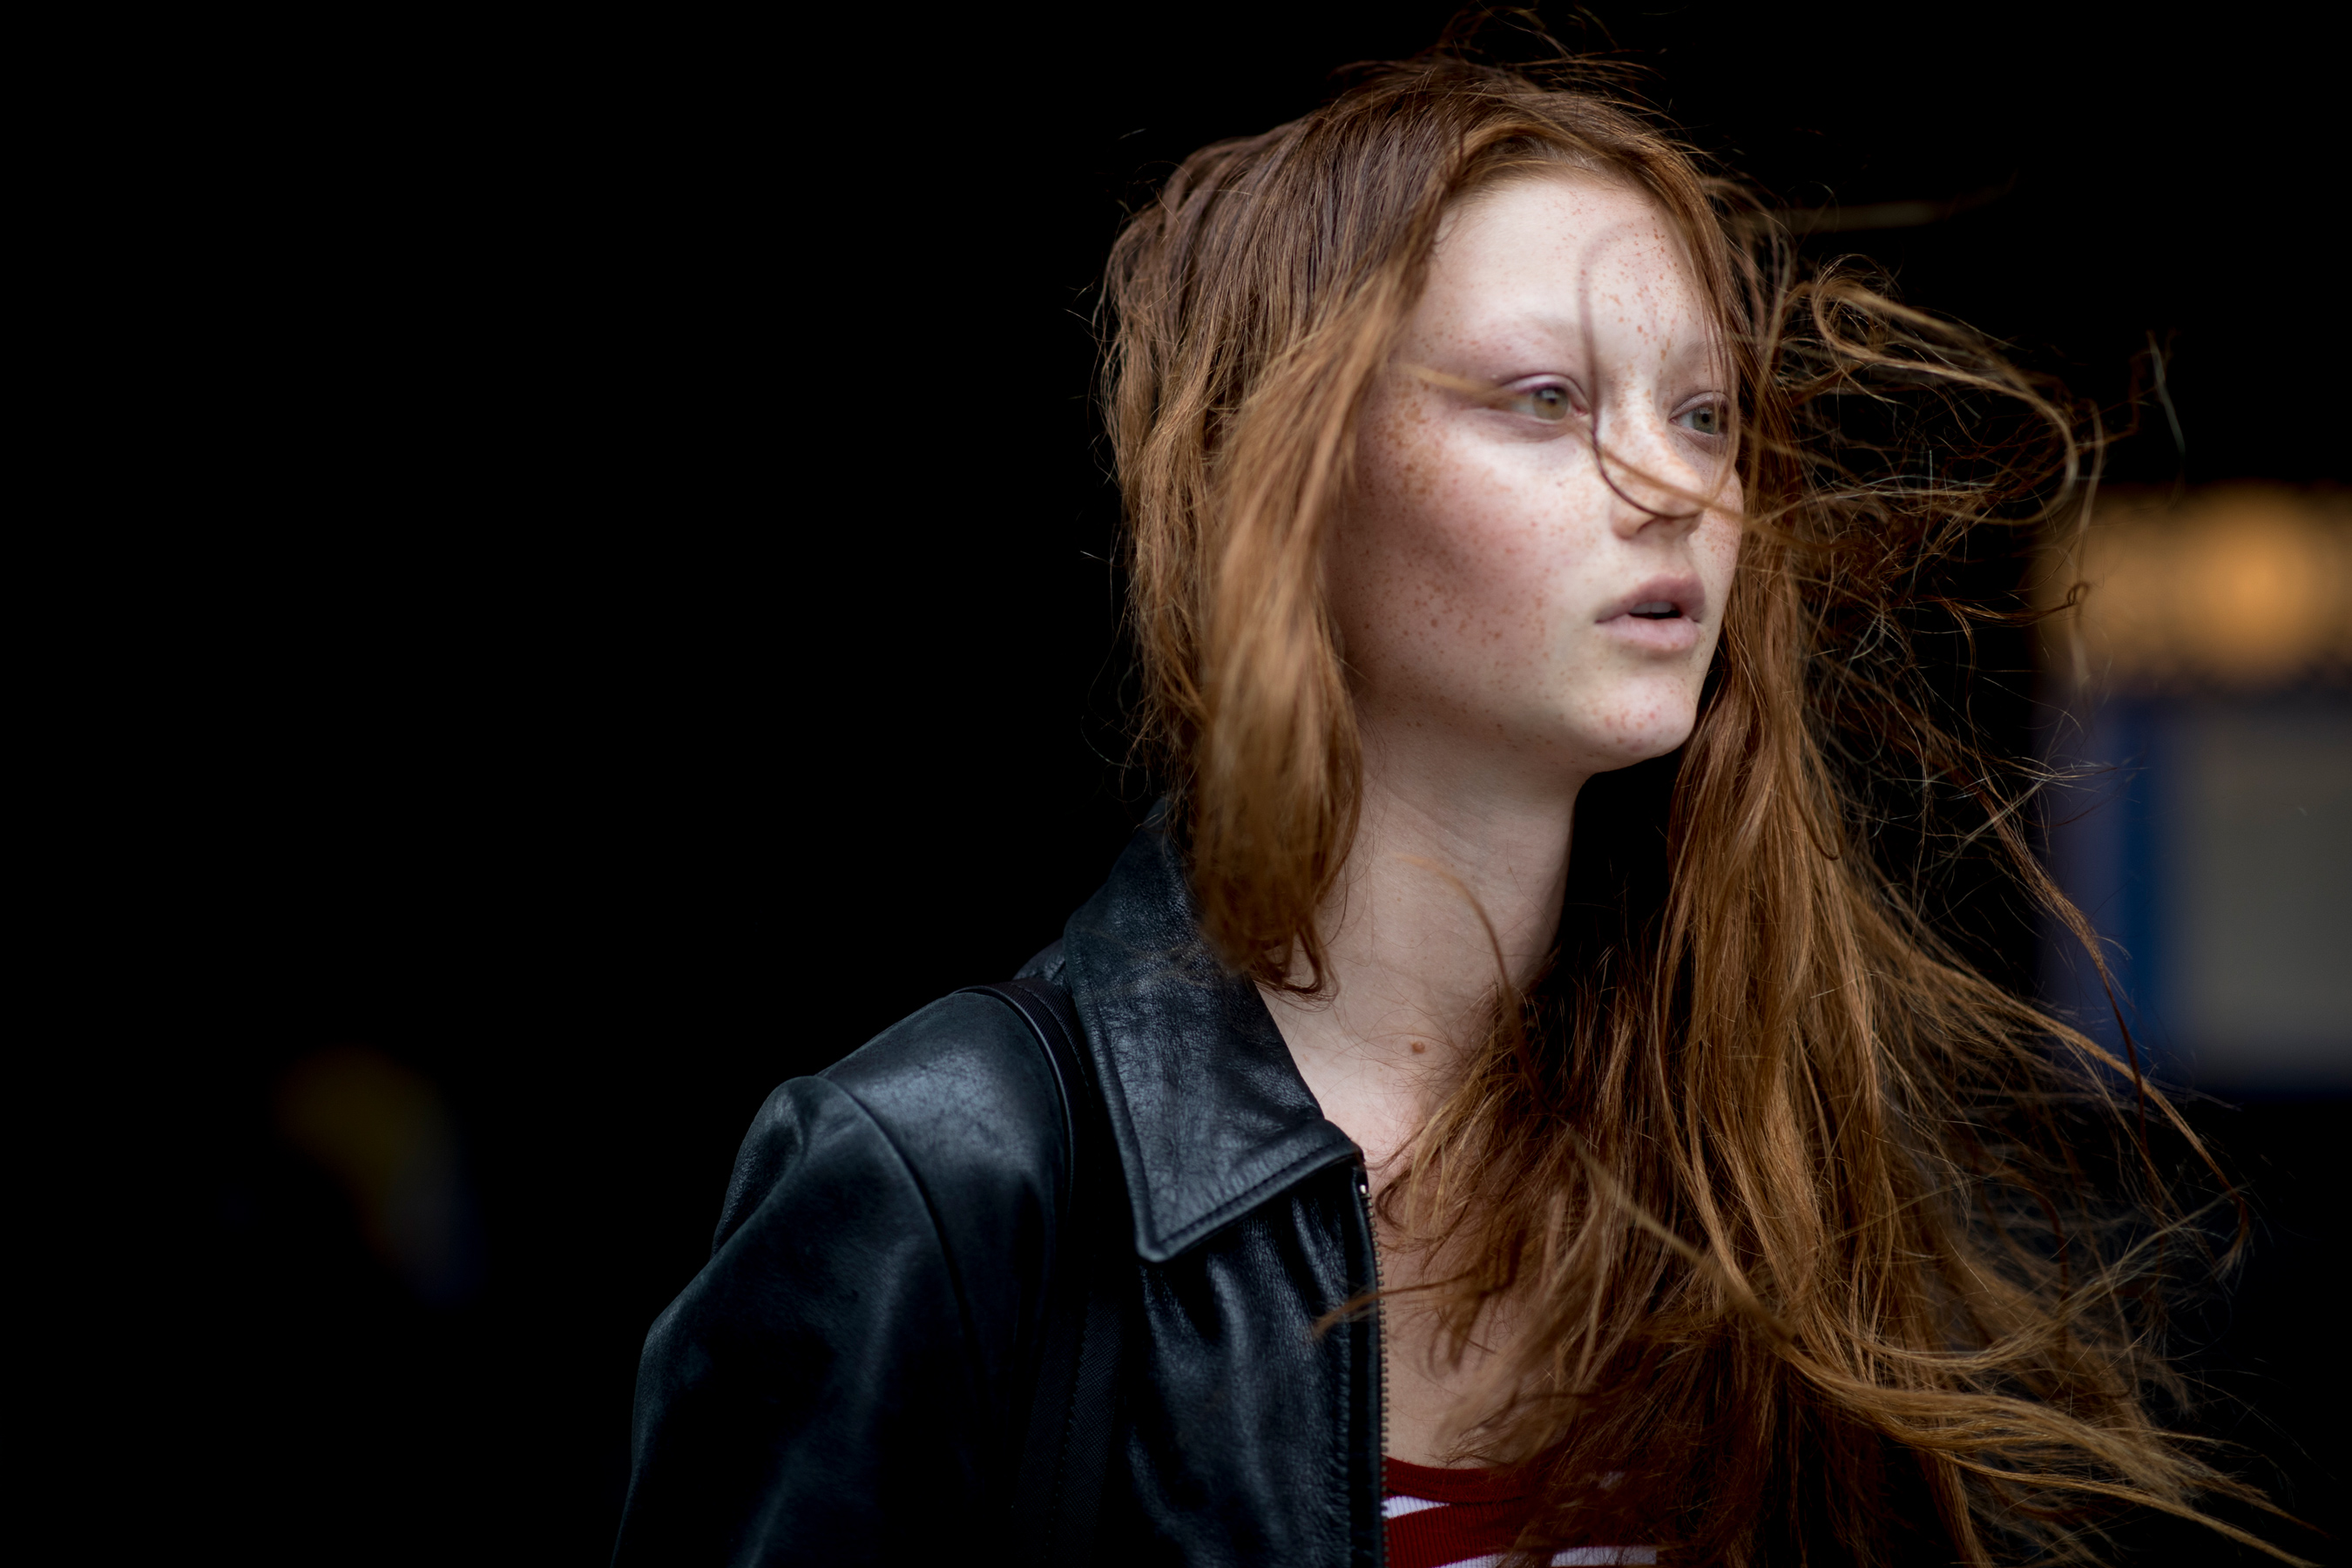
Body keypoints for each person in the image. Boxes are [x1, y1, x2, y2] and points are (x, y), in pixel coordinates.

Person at [612, 44, 2281, 1568]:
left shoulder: (1767, 1153)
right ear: (1289, 476)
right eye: (1544, 399)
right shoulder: (953, 1180)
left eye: (1705, 413)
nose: (1674, 486)